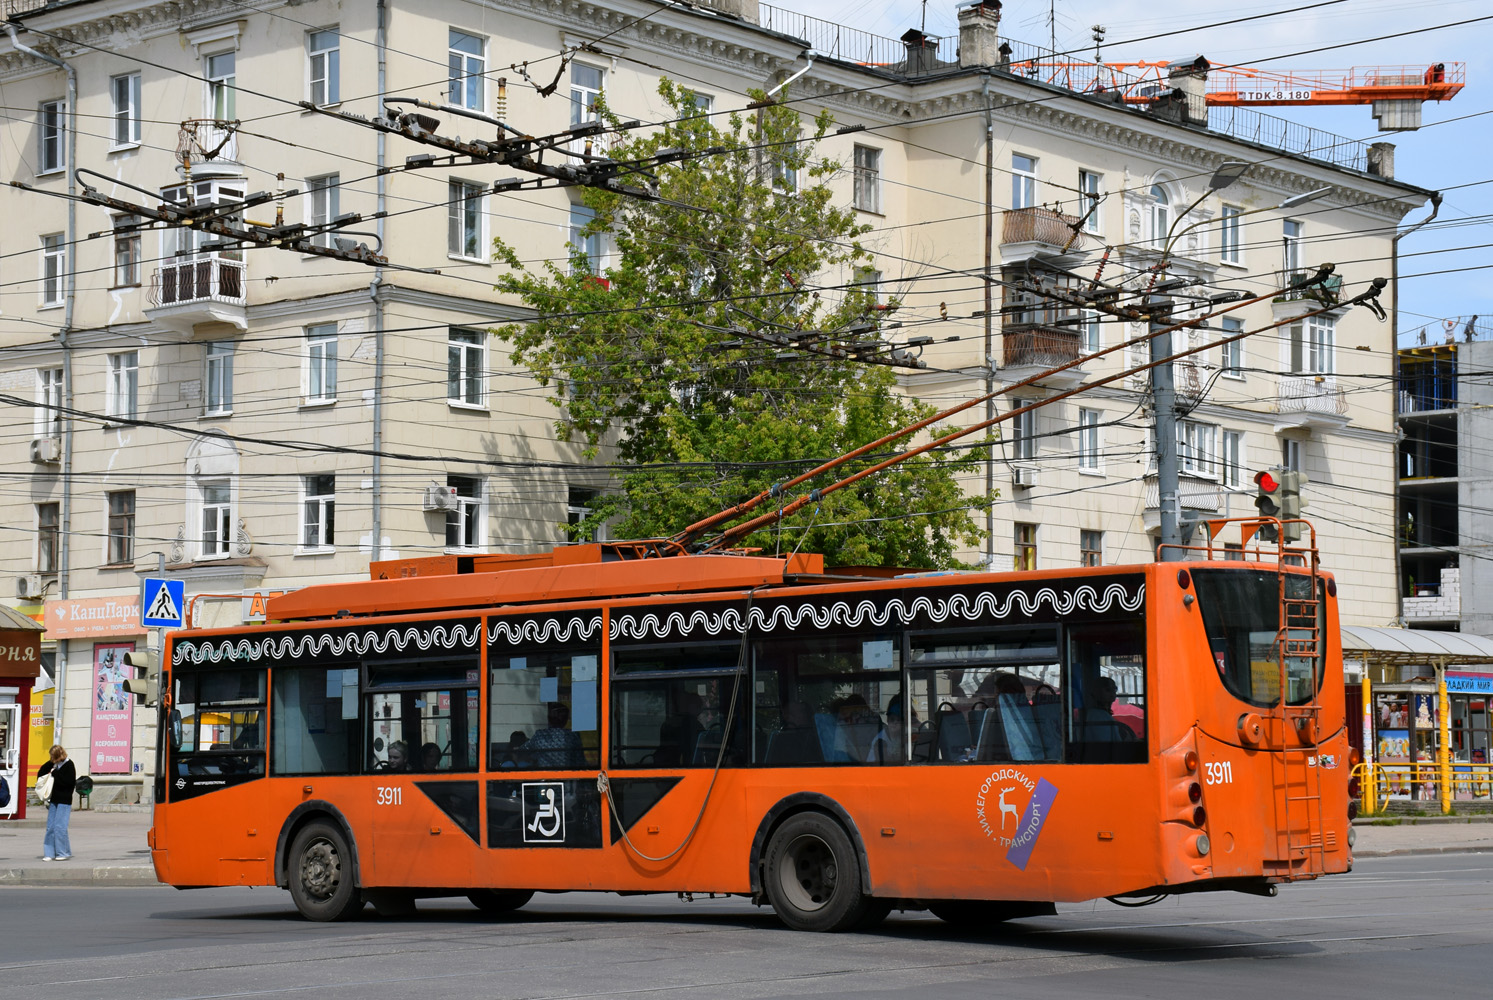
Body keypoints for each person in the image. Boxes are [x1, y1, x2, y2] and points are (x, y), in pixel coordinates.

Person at [37, 745, 76, 861]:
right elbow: (41, 773)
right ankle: (49, 853)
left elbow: (69, 783)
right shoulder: (53, 764)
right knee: (50, 827)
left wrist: (55, 774)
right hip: (54, 799)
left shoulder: (69, 765)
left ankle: (62, 852)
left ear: (60, 755)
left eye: (54, 757)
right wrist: (50, 764)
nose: (53, 759)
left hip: (64, 800)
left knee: (60, 827)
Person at [525, 703, 585, 768]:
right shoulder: (573, 736)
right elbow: (580, 761)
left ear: (549, 719)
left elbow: (523, 751)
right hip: (567, 775)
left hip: (544, 775)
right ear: (566, 720)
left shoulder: (539, 735)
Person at [866, 696, 906, 764]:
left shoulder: (902, 736)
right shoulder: (880, 741)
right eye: (892, 719)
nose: (895, 723)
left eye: (899, 720)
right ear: (887, 720)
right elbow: (884, 764)